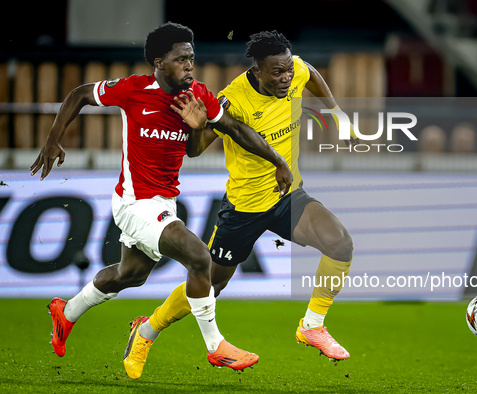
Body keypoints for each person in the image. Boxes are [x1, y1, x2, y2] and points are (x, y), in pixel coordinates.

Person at [30, 22, 292, 374]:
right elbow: (79, 93)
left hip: (164, 202)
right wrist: (53, 139)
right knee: (200, 256)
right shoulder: (132, 89)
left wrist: (275, 159)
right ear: (159, 62)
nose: (189, 65)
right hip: (135, 202)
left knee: (130, 274)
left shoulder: (196, 95)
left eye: (191, 58)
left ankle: (67, 313)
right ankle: (216, 346)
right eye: (181, 59)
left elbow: (234, 129)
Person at [123, 30, 355, 379]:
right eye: (277, 72)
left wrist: (335, 110)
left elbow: (311, 74)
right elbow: (195, 150)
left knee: (340, 243)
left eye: (288, 69)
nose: (286, 77)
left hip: (286, 195)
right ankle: (146, 330)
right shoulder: (233, 99)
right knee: (211, 286)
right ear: (257, 70)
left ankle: (312, 325)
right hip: (244, 208)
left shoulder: (296, 71)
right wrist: (197, 127)